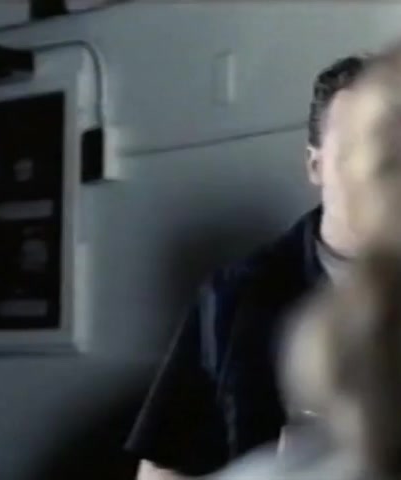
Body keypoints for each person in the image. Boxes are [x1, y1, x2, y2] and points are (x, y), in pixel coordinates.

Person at [125, 55, 369, 480]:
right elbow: (162, 466)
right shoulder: (235, 293)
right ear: (315, 165)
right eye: (353, 151)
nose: (375, 172)